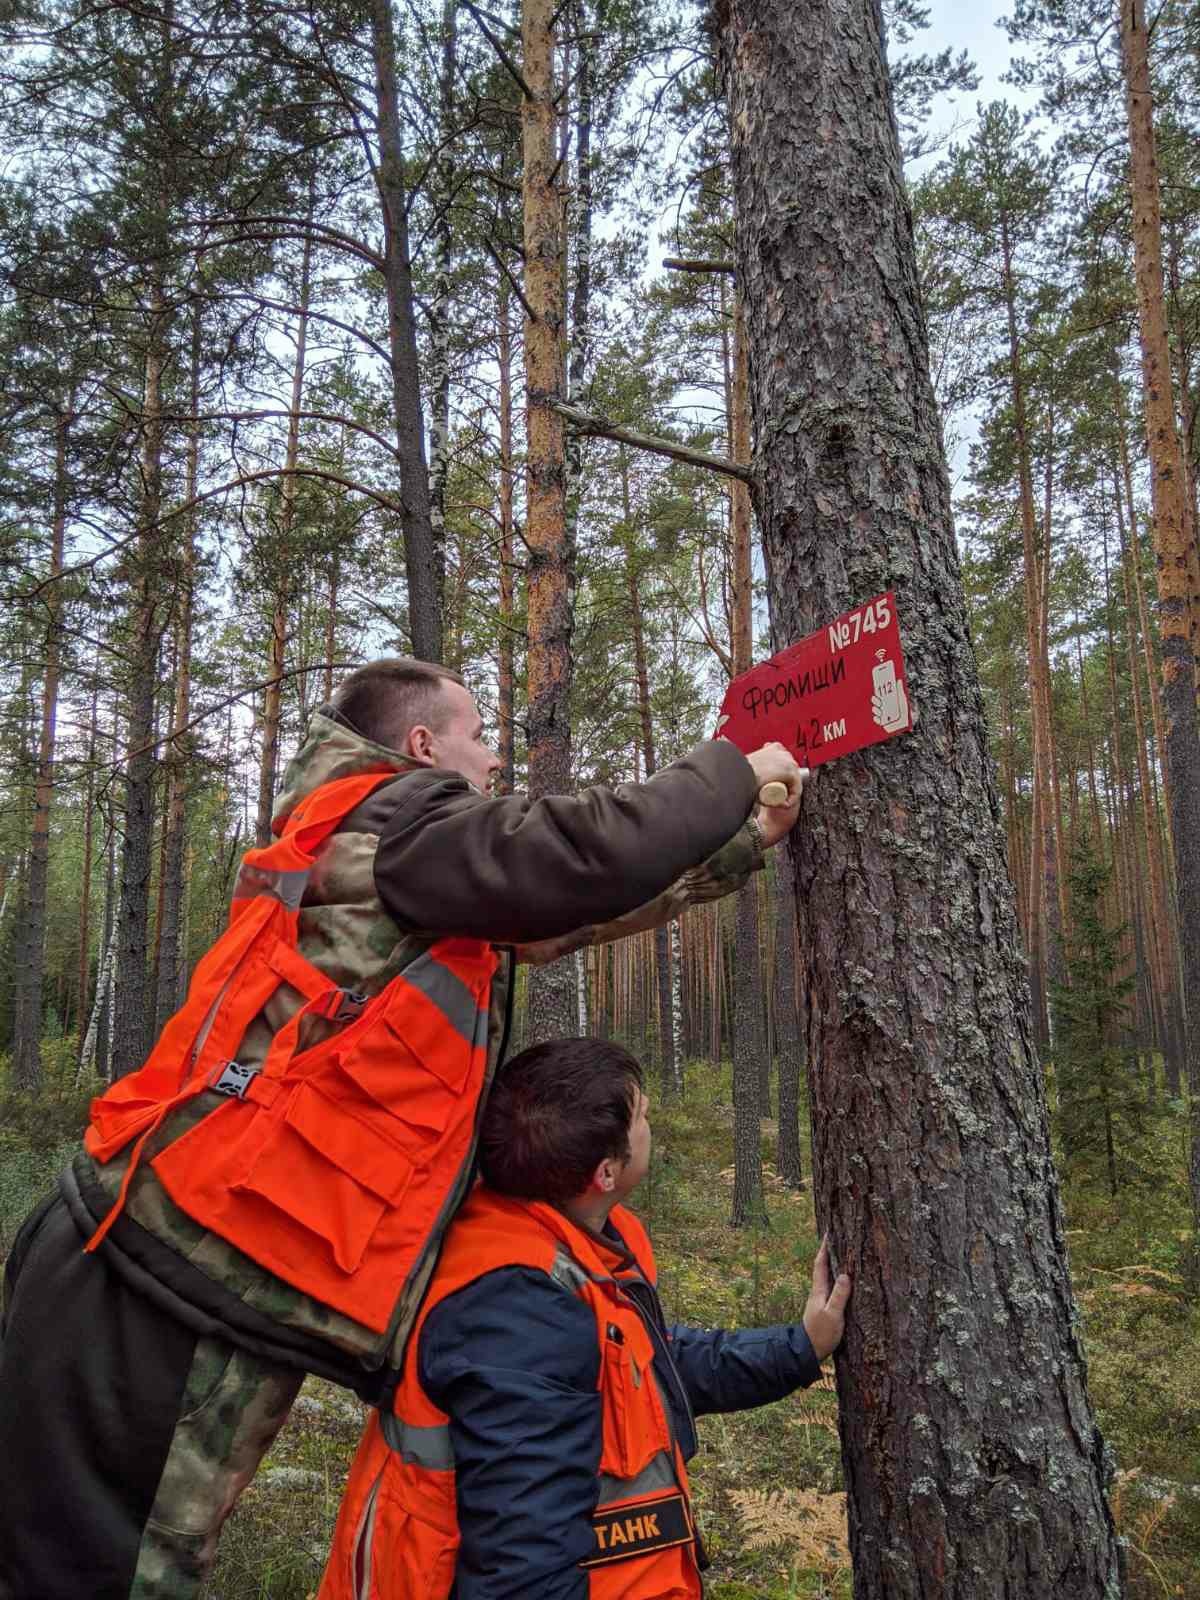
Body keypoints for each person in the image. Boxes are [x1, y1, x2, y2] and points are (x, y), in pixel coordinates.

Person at [0, 657, 807, 1600]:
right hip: (156, 1277)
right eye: (479, 736)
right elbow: (574, 853)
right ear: (422, 747)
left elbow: (564, 913)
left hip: (156, 1248)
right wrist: (730, 771)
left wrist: (741, 843)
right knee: (100, 1576)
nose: (495, 758)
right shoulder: (396, 817)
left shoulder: (389, 852)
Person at [319, 1037, 851, 1600]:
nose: (652, 1122)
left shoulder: (557, 1244)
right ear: (605, 1173)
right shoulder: (518, 1315)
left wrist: (800, 1345)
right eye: (642, 1115)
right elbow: (522, 1573)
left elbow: (651, 1366)